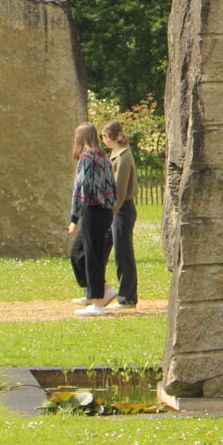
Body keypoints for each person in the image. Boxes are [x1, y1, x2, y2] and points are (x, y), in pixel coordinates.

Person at [66, 122, 117, 316]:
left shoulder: (86, 158)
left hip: (93, 210)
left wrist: (73, 218)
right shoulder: (104, 158)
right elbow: (112, 186)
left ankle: (97, 304)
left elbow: (81, 189)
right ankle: (102, 290)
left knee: (92, 257)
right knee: (80, 253)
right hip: (105, 211)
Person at [101, 120, 138, 309]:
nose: (102, 140)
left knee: (124, 255)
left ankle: (127, 297)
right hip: (119, 209)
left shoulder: (123, 155)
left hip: (123, 209)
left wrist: (110, 213)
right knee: (118, 254)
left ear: (109, 136)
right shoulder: (116, 154)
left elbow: (120, 191)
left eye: (103, 136)